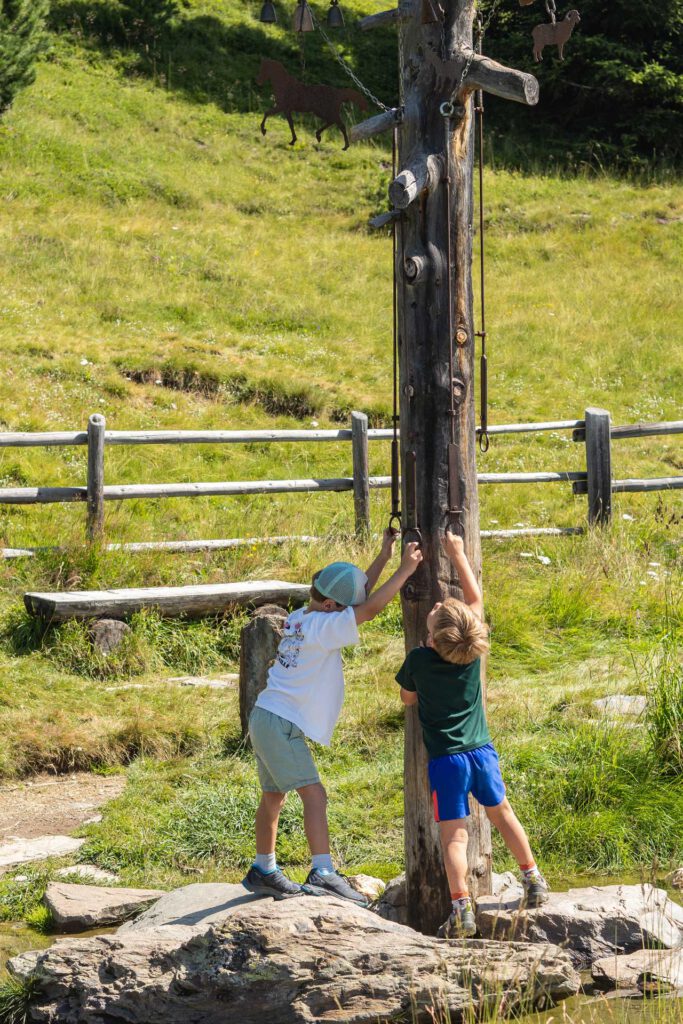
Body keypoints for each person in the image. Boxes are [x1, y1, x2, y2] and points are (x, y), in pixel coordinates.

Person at [243, 530, 423, 905]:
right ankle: (323, 872)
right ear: (330, 606)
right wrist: (406, 570)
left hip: (264, 717)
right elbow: (370, 609)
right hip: (281, 723)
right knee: (315, 795)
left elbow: (360, 595)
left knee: (273, 796)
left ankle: (264, 868)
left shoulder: (301, 616)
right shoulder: (324, 628)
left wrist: (384, 555)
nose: (349, 615)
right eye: (344, 610)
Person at [396, 530, 549, 937]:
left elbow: (407, 699)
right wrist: (459, 553)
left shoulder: (419, 659)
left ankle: (461, 908)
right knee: (503, 814)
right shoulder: (471, 653)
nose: (438, 603)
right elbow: (476, 600)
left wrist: (418, 684)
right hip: (482, 752)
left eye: (437, 612)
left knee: (455, 836)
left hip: (447, 761)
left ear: (432, 639)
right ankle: (533, 878)